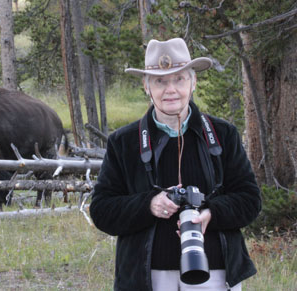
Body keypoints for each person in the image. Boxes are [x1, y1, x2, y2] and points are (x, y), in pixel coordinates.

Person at [89, 38, 262, 291]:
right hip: (145, 277)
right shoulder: (124, 142)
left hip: (215, 273)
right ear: (146, 87)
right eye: (160, 81)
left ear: (194, 82)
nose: (171, 89)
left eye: (179, 79)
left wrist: (210, 214)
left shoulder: (222, 134)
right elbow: (102, 211)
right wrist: (149, 204)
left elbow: (250, 200)